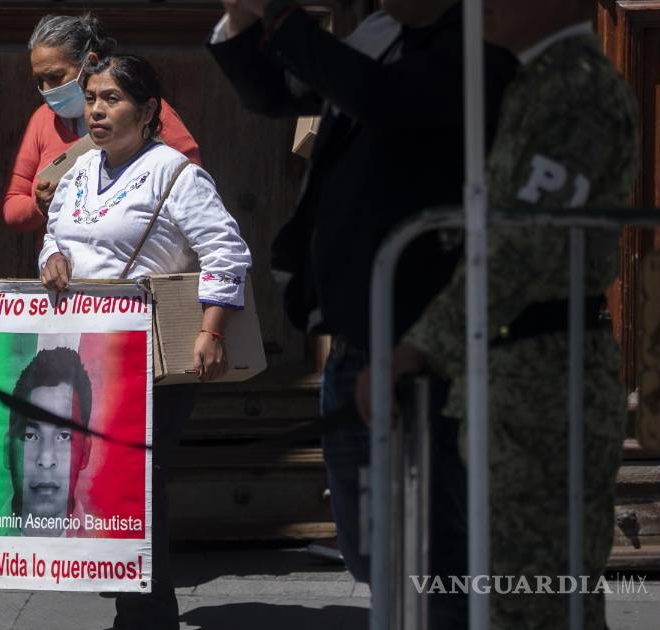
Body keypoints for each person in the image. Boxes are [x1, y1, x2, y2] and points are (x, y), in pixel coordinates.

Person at [208, 2, 518, 624]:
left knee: (436, 549)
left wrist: (281, 16)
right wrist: (243, 21)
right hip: (354, 338)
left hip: (427, 343)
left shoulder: (473, 41)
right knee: (369, 542)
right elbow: (278, 91)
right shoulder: (380, 31)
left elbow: (383, 97)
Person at [357, 0, 639, 627]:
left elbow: (523, 245)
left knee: (539, 600)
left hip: (545, 380)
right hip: (515, 377)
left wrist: (420, 346)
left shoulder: (574, 88)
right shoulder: (540, 81)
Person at [39, 53, 251, 630]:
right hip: (87, 351)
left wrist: (211, 329)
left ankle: (146, 615)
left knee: (138, 481)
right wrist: (52, 258)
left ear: (148, 109)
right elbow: (55, 233)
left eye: (112, 99)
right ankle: (130, 596)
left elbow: (225, 252)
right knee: (106, 476)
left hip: (152, 356)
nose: (96, 110)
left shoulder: (175, 174)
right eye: (92, 99)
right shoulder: (80, 170)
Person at [3, 14, 203, 249]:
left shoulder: (146, 113)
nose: (47, 89)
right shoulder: (42, 120)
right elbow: (13, 206)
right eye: (40, 80)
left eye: (56, 77)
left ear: (89, 63)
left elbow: (192, 191)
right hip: (61, 268)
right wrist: (40, 206)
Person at [5, 347, 94, 536]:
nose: (46, 460)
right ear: (7, 451)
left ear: (85, 452)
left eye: (64, 436)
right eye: (30, 436)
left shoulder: (109, 539)